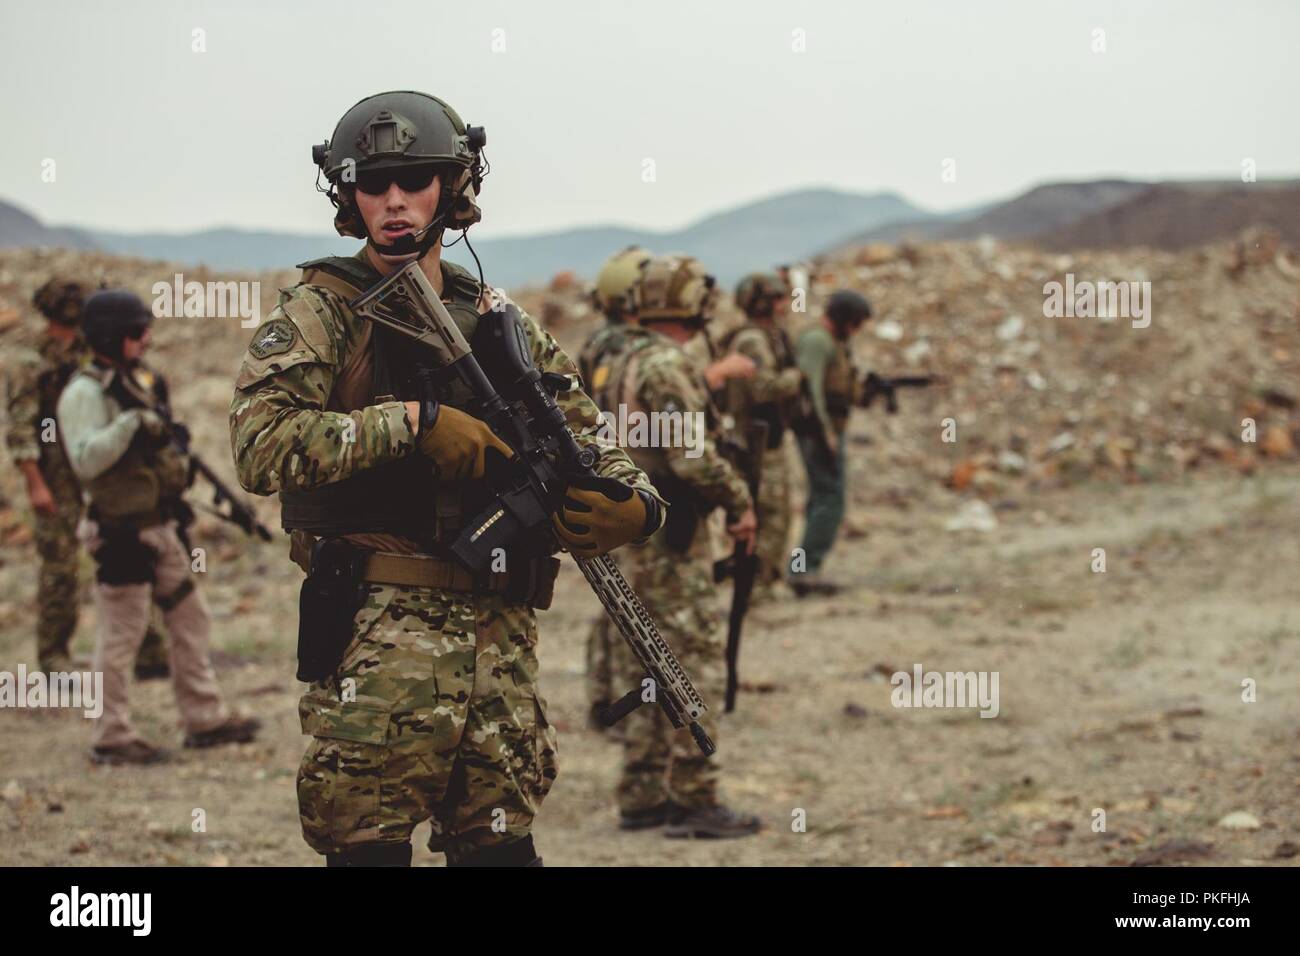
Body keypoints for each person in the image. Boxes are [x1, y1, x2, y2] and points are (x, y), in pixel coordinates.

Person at [229, 90, 665, 867]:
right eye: (372, 184)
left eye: (415, 180)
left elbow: (586, 436)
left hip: (499, 643)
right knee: (368, 852)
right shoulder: (322, 311)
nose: (393, 203)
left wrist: (637, 507)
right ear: (348, 195)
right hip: (378, 638)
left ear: (454, 186)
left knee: (500, 852)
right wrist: (413, 426)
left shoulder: (497, 317)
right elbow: (262, 447)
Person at [590, 252, 762, 838]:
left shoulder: (617, 356)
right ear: (693, 303)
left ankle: (641, 794)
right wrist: (740, 504)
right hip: (670, 539)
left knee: (643, 664)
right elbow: (692, 459)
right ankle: (693, 797)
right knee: (694, 666)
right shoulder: (666, 366)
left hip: (627, 537)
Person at [57, 289, 259, 765]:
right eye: (136, 331)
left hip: (160, 527)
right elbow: (86, 460)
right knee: (121, 634)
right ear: (111, 335)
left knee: (191, 618)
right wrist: (132, 425)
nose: (146, 338)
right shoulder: (85, 393)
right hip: (120, 533)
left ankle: (204, 718)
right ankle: (110, 735)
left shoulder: (138, 381)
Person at [4, 277, 169, 676]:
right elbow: (22, 429)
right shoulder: (33, 364)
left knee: (129, 547)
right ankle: (55, 659)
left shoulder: (91, 354)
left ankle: (148, 649)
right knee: (60, 567)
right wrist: (36, 483)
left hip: (104, 471)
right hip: (58, 476)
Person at [577, 245, 652, 733]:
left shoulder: (597, 343)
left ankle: (603, 697)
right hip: (625, 476)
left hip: (607, 473)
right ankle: (614, 700)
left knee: (614, 595)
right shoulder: (632, 347)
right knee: (628, 598)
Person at [717, 272, 804, 598]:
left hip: (769, 439)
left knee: (778, 514)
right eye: (780, 298)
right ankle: (758, 586)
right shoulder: (753, 340)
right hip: (756, 442)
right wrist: (797, 376)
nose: (786, 305)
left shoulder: (771, 335)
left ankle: (765, 581)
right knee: (769, 514)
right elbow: (764, 388)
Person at [791, 289, 872, 596]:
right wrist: (824, 433)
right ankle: (804, 570)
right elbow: (809, 390)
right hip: (817, 433)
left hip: (825, 431)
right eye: (855, 324)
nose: (856, 331)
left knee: (822, 498)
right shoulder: (817, 341)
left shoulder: (833, 344)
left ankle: (803, 569)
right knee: (830, 499)